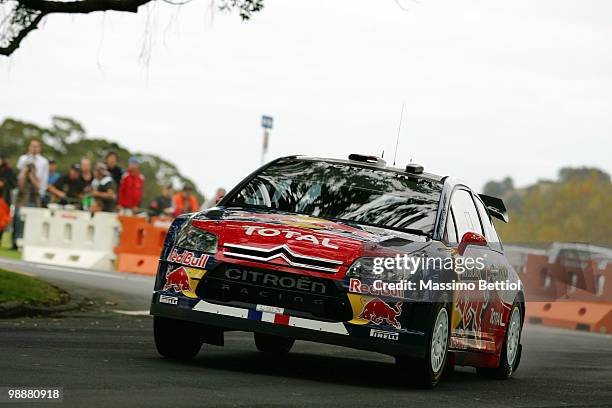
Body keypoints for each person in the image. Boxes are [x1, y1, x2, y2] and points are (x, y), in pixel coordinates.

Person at [0, 154, 16, 244]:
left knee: (2, 221)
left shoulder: (8, 170)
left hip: (4, 199)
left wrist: (4, 183)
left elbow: (13, 184)